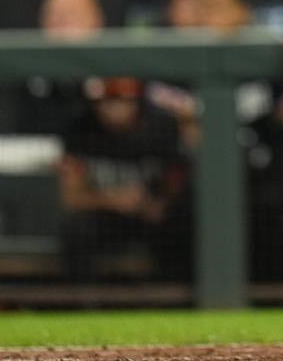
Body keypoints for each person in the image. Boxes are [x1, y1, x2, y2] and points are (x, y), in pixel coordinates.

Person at [58, 75, 191, 281]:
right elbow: (71, 198)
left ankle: (176, 303)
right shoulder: (80, 128)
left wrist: (159, 203)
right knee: (76, 229)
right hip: (104, 217)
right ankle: (82, 303)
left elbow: (177, 178)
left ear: (136, 101)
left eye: (120, 100)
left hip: (152, 214)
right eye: (105, 101)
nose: (112, 108)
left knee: (180, 224)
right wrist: (114, 200)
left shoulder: (161, 127)